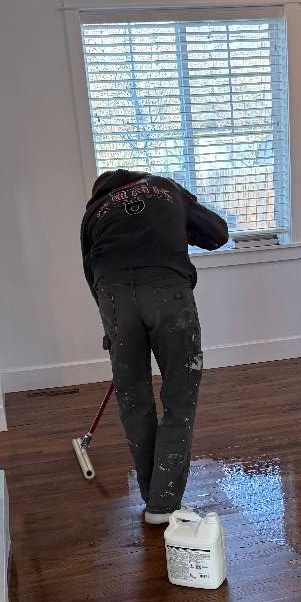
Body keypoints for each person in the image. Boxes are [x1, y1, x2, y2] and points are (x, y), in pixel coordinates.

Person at [81, 170, 229, 523]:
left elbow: (91, 272)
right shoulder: (165, 188)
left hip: (113, 299)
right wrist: (181, 224)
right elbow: (217, 233)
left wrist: (112, 330)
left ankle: (153, 499)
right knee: (179, 397)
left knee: (134, 402)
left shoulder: (94, 211)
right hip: (167, 292)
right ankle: (164, 505)